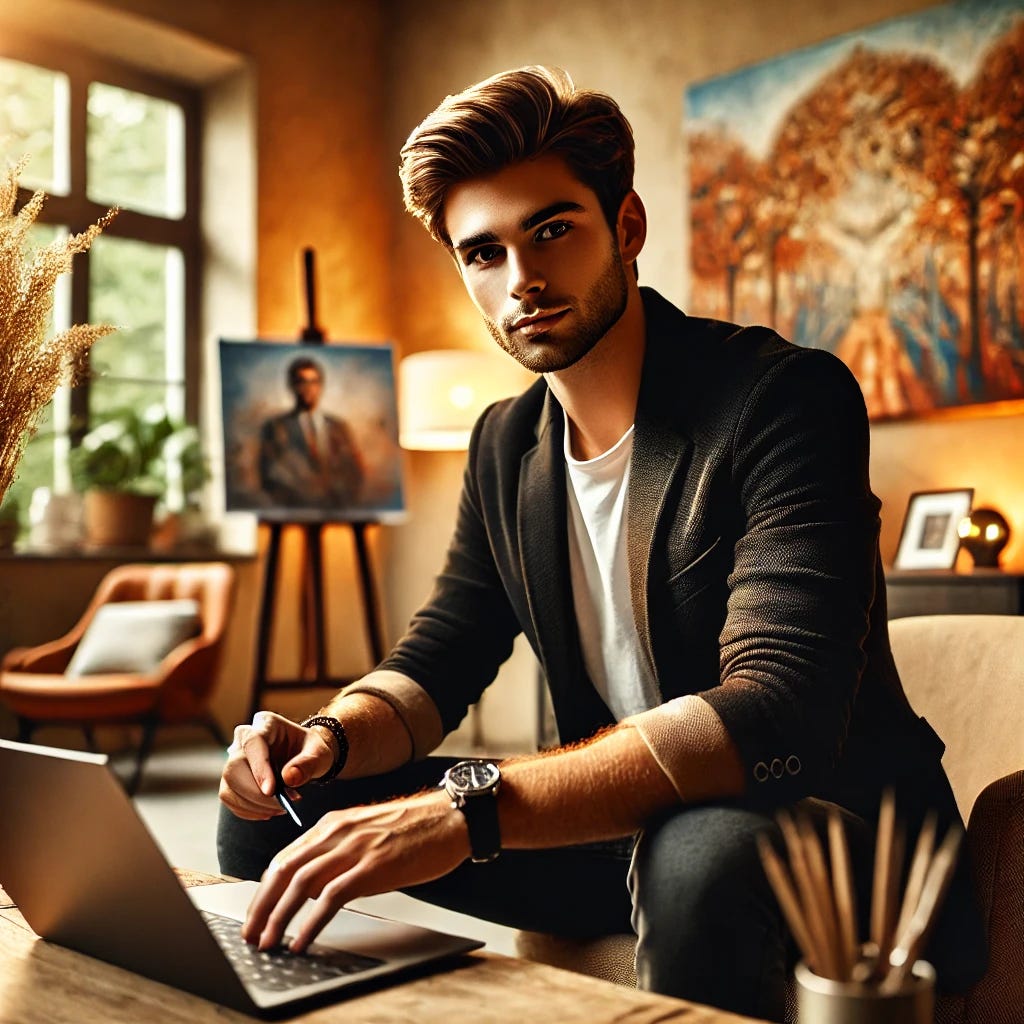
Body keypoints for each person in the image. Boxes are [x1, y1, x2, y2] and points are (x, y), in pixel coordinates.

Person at [219, 67, 985, 1020]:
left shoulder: (783, 397)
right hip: (627, 832)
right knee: (270, 822)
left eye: (552, 230)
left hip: (835, 842)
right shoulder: (505, 441)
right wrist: (326, 743)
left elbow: (774, 709)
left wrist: (472, 808)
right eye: (483, 253)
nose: (522, 280)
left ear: (625, 229)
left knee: (697, 848)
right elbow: (444, 650)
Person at [258, 355, 364, 509]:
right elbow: (270, 475)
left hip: (333, 505)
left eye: (314, 382)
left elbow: (354, 471)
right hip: (293, 505)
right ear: (292, 385)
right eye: (302, 382)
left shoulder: (338, 426)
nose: (308, 388)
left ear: (321, 386)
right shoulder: (276, 427)